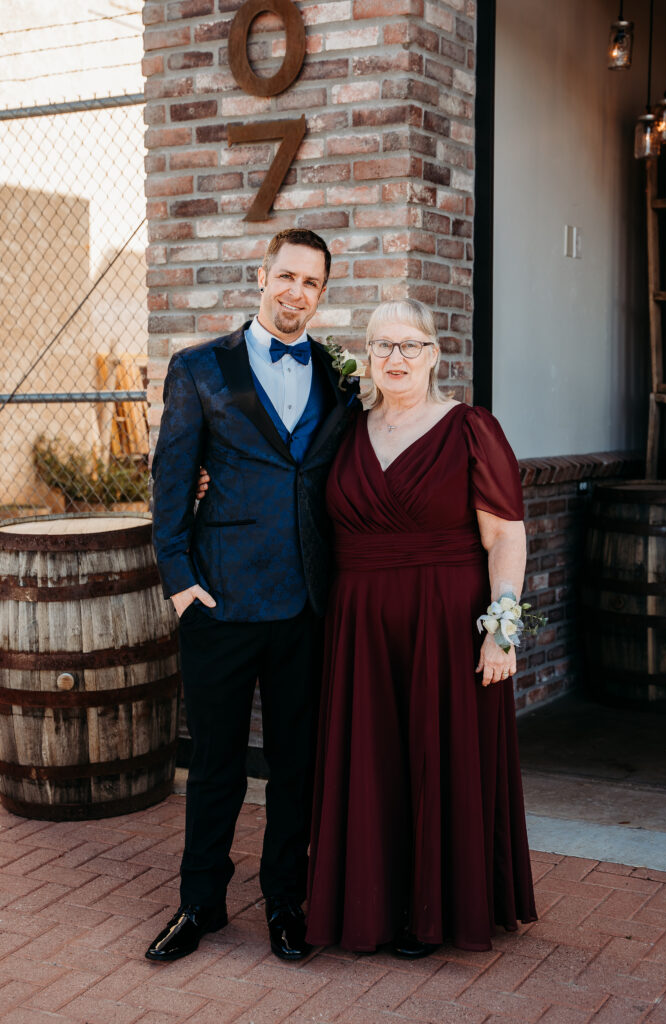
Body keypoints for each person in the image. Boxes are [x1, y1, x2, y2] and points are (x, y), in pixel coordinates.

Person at [147, 228, 360, 964]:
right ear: (261, 276)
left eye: (312, 284)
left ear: (322, 294)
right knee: (214, 765)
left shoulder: (339, 378)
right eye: (287, 277)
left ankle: (285, 903)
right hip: (219, 603)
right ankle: (199, 903)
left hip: (305, 606)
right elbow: (171, 483)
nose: (296, 292)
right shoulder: (200, 369)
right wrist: (180, 585)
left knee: (296, 764)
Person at [305, 298, 537, 956]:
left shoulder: (469, 429)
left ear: (435, 355)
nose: (395, 358)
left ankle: (435, 911)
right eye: (382, 346)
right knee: (372, 762)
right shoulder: (343, 429)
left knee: (440, 760)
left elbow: (506, 540)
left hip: (447, 623)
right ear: (367, 356)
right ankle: (371, 904)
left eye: (409, 345)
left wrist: (502, 628)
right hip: (359, 630)